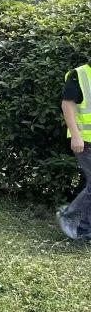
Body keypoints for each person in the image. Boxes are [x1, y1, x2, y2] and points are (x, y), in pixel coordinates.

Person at [59, 61, 91, 239]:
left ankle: (85, 229)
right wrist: (76, 135)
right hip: (85, 141)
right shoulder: (79, 74)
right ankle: (71, 219)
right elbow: (67, 105)